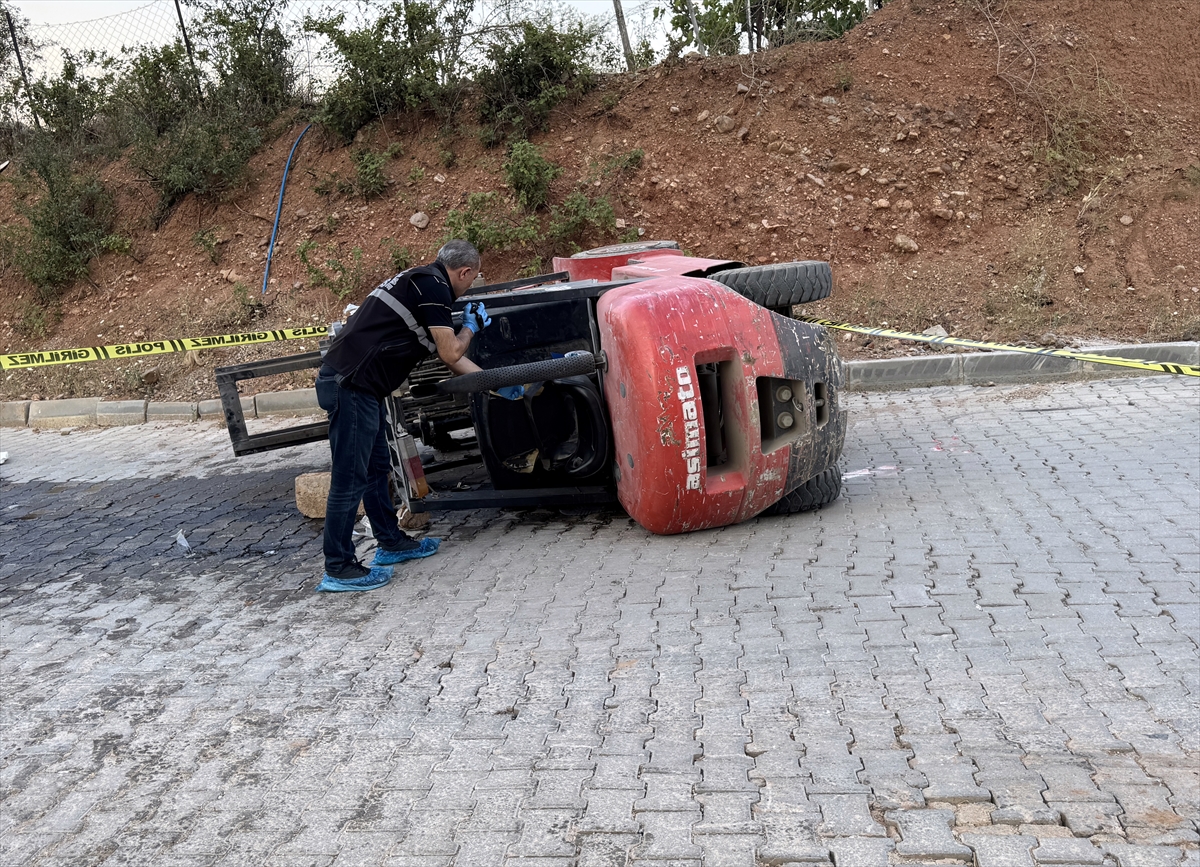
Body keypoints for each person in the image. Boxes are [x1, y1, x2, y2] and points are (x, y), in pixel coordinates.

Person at [313, 240, 492, 593]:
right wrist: (470, 329)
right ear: (465, 272)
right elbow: (451, 349)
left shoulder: (423, 282)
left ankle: (391, 543)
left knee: (376, 469)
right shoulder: (434, 287)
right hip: (350, 384)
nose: (470, 285)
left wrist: (494, 385)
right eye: (472, 279)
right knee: (350, 479)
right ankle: (338, 567)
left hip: (361, 386)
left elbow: (453, 361)